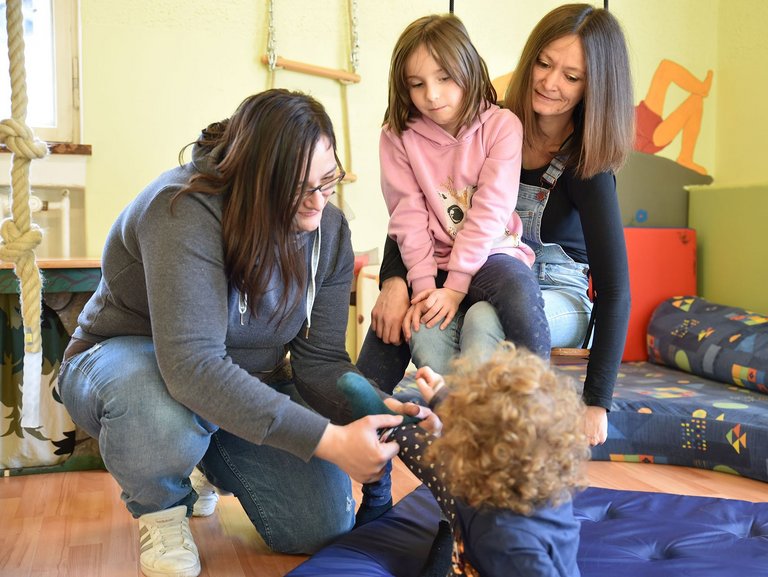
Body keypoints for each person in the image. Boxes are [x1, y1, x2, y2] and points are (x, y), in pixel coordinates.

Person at [57, 89, 430, 577]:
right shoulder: (181, 209)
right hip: (128, 366)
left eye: (328, 180)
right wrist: (328, 440)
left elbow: (319, 362)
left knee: (320, 527)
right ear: (253, 180)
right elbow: (192, 366)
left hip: (239, 381)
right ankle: (161, 507)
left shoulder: (330, 230)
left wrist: (385, 407)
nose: (318, 203)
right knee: (156, 401)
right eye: (299, 188)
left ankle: (203, 456)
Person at [357, 3, 634, 448]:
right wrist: (395, 281)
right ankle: (405, 420)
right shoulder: (483, 124)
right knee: (420, 318)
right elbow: (420, 210)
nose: (549, 82)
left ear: (594, 86)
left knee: (486, 318)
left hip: (555, 291)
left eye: (571, 76)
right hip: (478, 270)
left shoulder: (589, 168)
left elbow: (616, 289)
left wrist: (597, 400)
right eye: (544, 64)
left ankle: (485, 447)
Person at [379, 13, 551, 372]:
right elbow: (407, 215)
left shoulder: (502, 125)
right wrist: (424, 286)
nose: (432, 95)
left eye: (444, 77)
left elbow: (491, 208)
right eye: (417, 84)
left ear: (468, 69)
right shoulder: (397, 135)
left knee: (520, 289)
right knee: (395, 329)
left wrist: (456, 286)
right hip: (432, 264)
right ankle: (370, 408)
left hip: (492, 254)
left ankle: (540, 395)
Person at [341, 343, 589, 576]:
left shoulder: (513, 545)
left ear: (478, 460)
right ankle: (386, 425)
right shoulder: (518, 471)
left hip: (474, 554)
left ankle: (389, 433)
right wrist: (441, 396)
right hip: (475, 523)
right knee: (433, 450)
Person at [635, 58, 713, 175]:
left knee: (665, 67)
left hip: (642, 115)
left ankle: (702, 89)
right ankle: (685, 159)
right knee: (696, 101)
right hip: (651, 137)